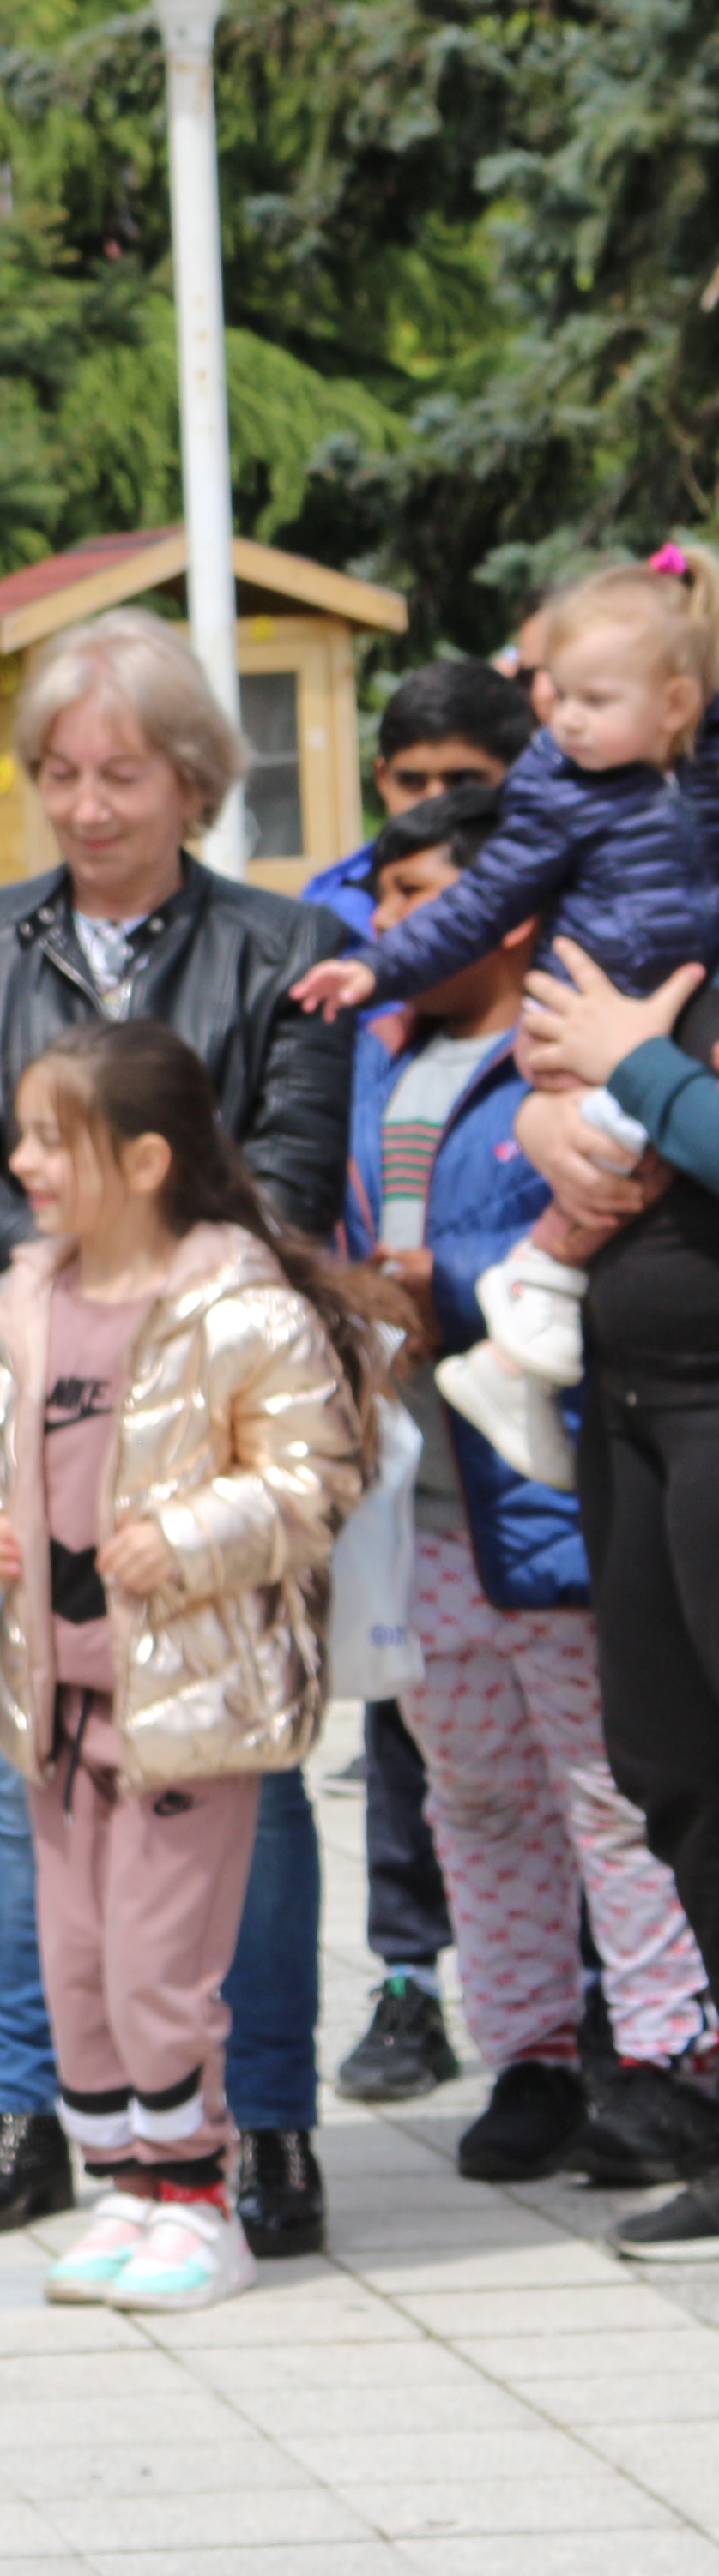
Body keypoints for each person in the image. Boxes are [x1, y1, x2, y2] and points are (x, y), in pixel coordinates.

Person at [0, 608, 355, 2252]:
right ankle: (36, 2105)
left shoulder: (282, 946)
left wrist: (145, 1286)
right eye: (60, 777)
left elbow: (287, 1170)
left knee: (237, 1768)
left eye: (122, 776)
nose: (86, 808)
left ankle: (264, 2121)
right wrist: (58, 1273)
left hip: (207, 1415)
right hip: (24, 1398)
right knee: (30, 1761)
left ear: (191, 783)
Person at [0, 1021, 374, 2314]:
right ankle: (128, 2188)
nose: (23, 1164)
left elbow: (315, 1482)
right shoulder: (19, 1308)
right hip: (57, 1701)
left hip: (190, 1706)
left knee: (156, 1964)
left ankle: (202, 2203)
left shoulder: (240, 1311)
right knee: (76, 1963)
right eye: (21, 1137)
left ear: (144, 1161)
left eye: (51, 1140)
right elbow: (7, 1474)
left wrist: (187, 1538)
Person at [346, 789, 719, 2190]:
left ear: (506, 917)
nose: (388, 926)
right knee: (476, 1797)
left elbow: (603, 1206)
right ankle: (527, 2055)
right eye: (381, 898)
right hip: (424, 1504)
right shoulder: (383, 1052)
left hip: (545, 1499)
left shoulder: (565, 1054)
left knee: (611, 1792)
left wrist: (438, 1287)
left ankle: (666, 2055)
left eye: (417, 896)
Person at [300, 566, 719, 1478]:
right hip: (591, 1014)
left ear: (676, 705)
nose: (565, 720)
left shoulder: (694, 770)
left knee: (629, 1155)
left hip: (653, 1019)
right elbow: (476, 903)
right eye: (555, 696)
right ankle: (530, 1306)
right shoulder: (559, 790)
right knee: (615, 1152)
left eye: (594, 700)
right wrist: (378, 969)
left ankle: (522, 1328)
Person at [305, 663, 536, 2110]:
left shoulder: (565, 962)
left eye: (464, 782)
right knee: (412, 1716)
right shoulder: (352, 948)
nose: (433, 802)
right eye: (409, 782)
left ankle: (610, 2029)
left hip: (529, 1425)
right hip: (401, 1431)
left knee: (576, 1755)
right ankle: (413, 1976)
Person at [517, 933, 719, 2260]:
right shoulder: (680, 926)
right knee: (675, 1775)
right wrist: (552, 1120)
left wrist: (634, 1068)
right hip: (635, 1408)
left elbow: (644, 1071)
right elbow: (549, 1068)